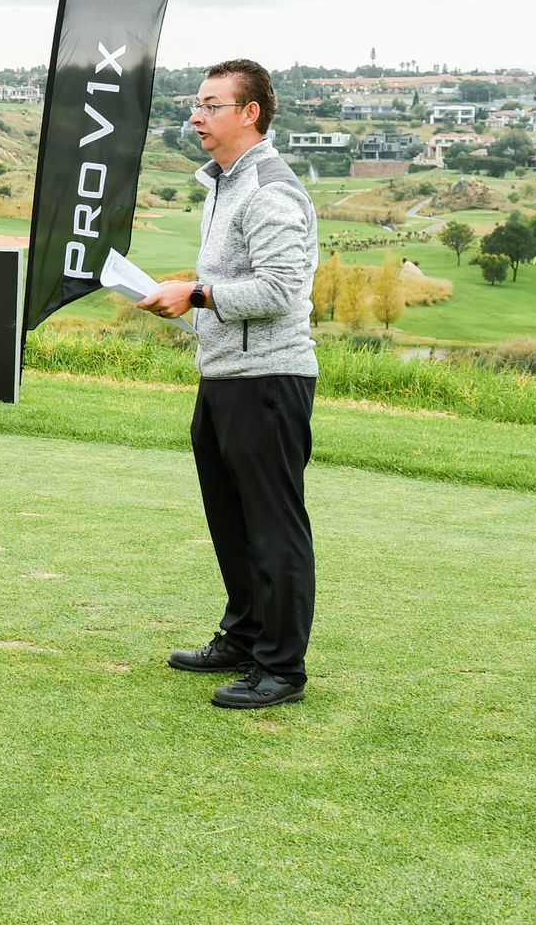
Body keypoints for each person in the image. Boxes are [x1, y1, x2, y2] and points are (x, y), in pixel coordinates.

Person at [139, 58, 319, 709]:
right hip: (223, 374)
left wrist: (196, 294)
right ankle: (243, 638)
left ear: (250, 113)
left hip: (268, 379)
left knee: (273, 527)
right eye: (196, 104)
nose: (196, 116)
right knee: (232, 521)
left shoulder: (270, 190)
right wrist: (192, 297)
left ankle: (281, 669)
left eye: (211, 105)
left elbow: (279, 289)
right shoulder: (224, 183)